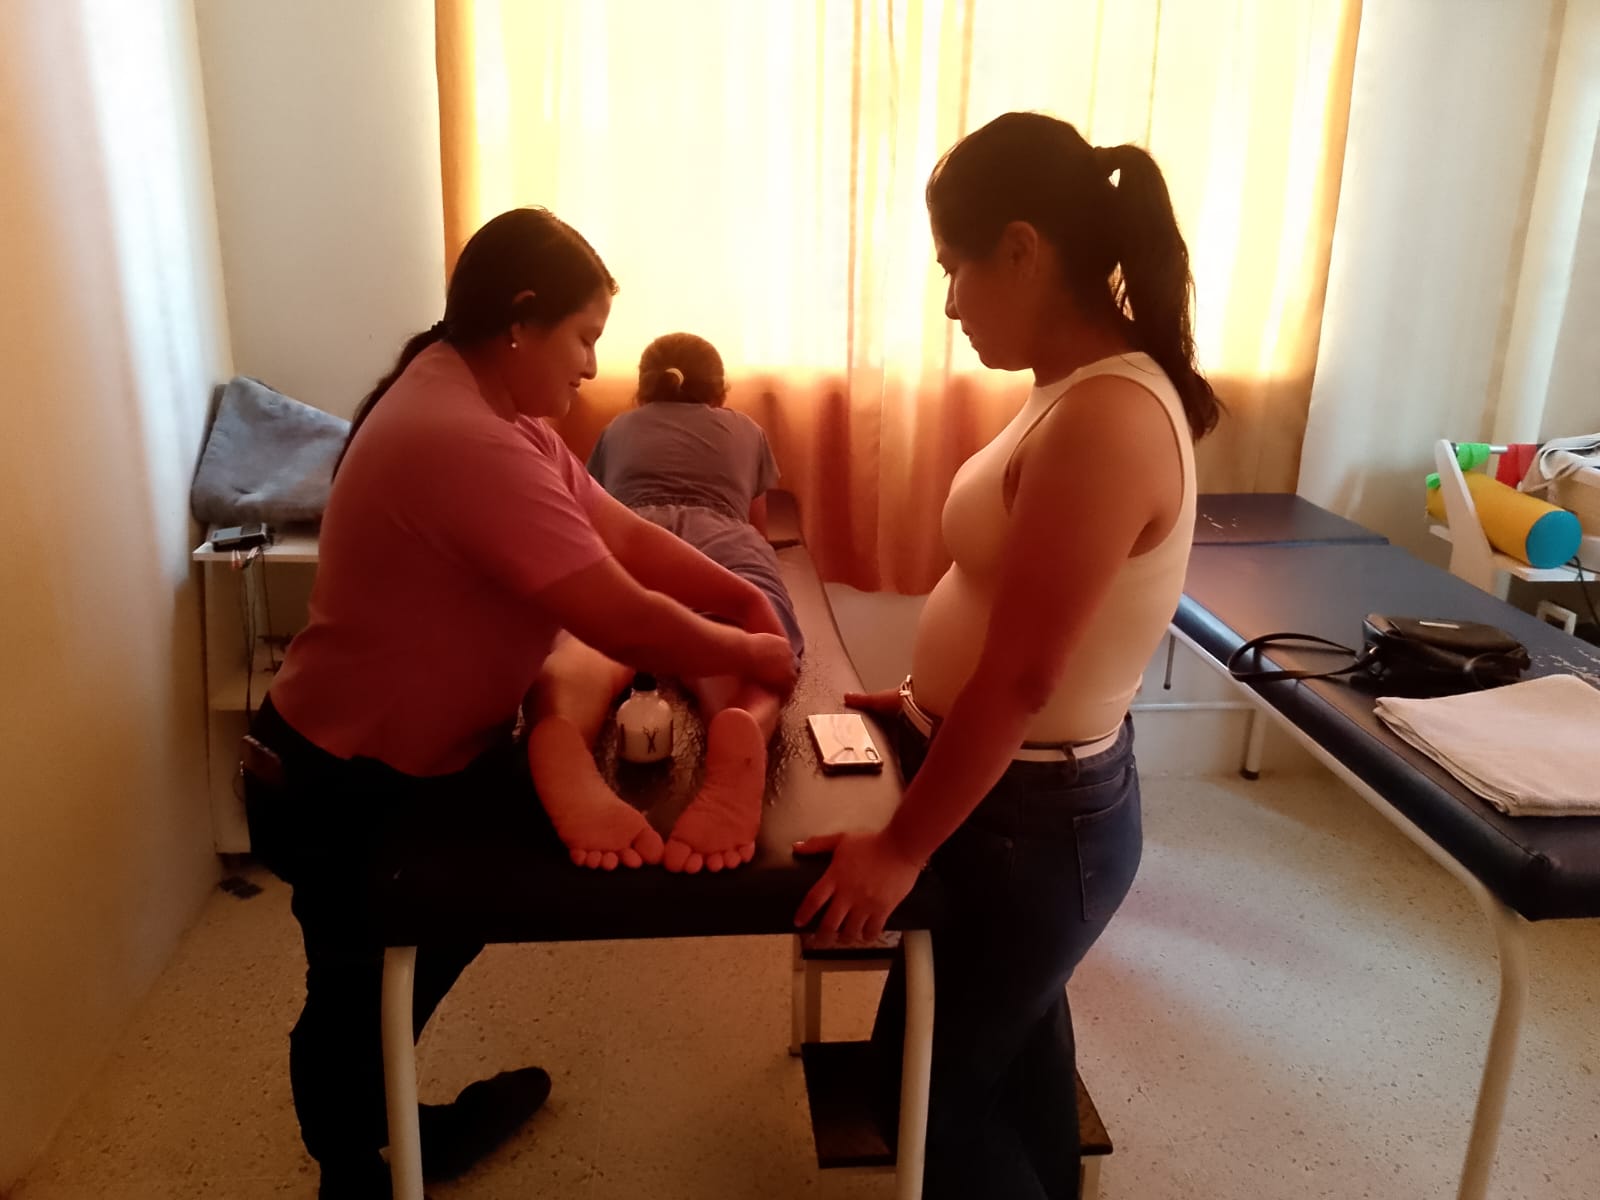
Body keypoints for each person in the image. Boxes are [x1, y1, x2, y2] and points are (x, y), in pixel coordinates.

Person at [241, 207, 796, 1199]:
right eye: (584, 337)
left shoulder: (499, 414)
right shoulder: (457, 437)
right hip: (336, 779)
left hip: (418, 761)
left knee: (418, 950)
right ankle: (355, 1169)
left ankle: (390, 1127)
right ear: (521, 318)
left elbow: (623, 534)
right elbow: (622, 616)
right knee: (360, 981)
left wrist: (738, 596)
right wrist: (752, 647)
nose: (592, 365)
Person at [793, 112, 1221, 1199]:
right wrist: (914, 704)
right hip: (1012, 802)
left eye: (955, 266)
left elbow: (1028, 678)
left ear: (1022, 249)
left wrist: (897, 848)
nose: (949, 303)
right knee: (1013, 1063)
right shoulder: (1069, 391)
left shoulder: (1107, 416)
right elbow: (1010, 612)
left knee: (923, 1099)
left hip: (1034, 823)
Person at [526, 332, 802, 874]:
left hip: (637, 541)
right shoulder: (747, 430)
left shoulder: (620, 428)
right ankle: (740, 720)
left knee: (592, 639)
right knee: (744, 649)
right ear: (719, 389)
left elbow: (597, 507)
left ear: (644, 387)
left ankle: (563, 724)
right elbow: (759, 527)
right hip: (724, 543)